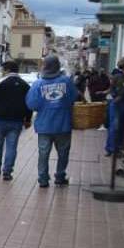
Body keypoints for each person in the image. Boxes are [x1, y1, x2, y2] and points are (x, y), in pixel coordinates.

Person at [26, 55, 76, 188]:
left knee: (43, 153)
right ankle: (60, 176)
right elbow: (73, 98)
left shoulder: (38, 84)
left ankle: (43, 179)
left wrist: (45, 105)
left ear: (45, 66)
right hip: (63, 125)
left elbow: (31, 104)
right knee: (63, 153)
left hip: (44, 125)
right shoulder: (66, 81)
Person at [0, 60, 32, 181]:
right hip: (17, 121)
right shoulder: (25, 85)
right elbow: (29, 104)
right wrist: (28, 119)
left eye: (3, 70)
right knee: (11, 147)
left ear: (7, 70)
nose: (1, 72)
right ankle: (7, 171)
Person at [105, 57, 124, 157]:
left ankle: (118, 148)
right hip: (117, 104)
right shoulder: (117, 77)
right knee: (114, 126)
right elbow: (111, 89)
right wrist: (116, 96)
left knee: (121, 127)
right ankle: (111, 148)